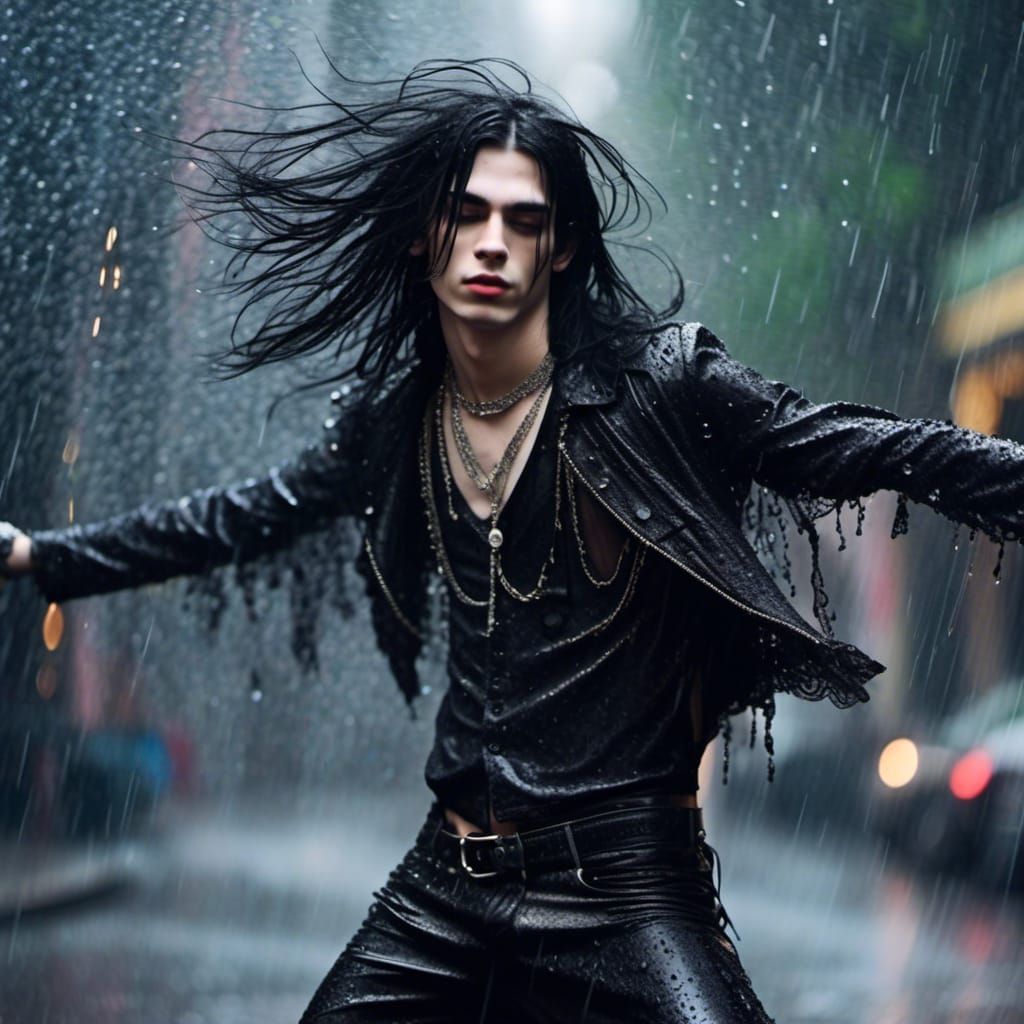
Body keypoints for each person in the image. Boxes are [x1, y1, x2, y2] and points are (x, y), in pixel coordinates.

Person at [2, 58, 1022, 1023]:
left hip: (623, 889)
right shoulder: (402, 418)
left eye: (522, 220)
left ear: (560, 247)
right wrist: (42, 557)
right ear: (423, 236)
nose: (491, 241)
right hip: (444, 891)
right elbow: (244, 514)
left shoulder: (660, 386)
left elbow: (875, 447)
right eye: (466, 213)